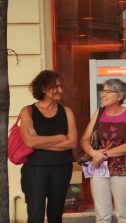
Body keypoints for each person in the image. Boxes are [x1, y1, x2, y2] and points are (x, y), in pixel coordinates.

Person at [19, 70, 77, 223]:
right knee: (35, 214)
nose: (61, 90)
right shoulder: (27, 112)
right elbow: (30, 142)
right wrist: (59, 138)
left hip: (61, 168)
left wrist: (41, 143)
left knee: (56, 214)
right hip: (35, 169)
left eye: (60, 86)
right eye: (56, 87)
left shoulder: (67, 111)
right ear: (44, 88)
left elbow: (72, 142)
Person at [80, 78, 126, 223]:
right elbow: (84, 140)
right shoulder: (99, 112)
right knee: (102, 216)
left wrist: (102, 154)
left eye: (107, 92)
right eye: (102, 91)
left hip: (122, 168)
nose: (103, 95)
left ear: (119, 96)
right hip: (98, 167)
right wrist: (93, 153)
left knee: (123, 215)